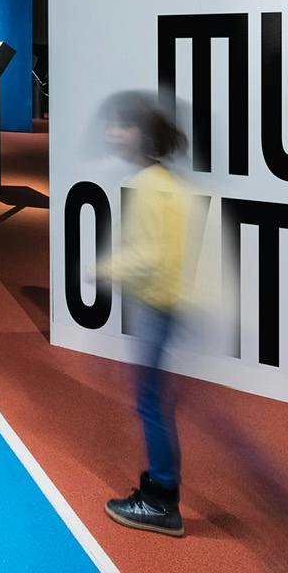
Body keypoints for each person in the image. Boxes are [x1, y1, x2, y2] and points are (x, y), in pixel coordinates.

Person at [97, 90, 191, 536]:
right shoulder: (157, 182)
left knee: (151, 402)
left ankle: (161, 500)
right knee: (152, 399)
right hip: (160, 306)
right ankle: (160, 488)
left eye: (123, 126)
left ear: (142, 135)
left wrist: (101, 267)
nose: (113, 134)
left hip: (159, 307)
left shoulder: (153, 187)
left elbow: (152, 254)